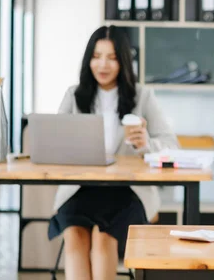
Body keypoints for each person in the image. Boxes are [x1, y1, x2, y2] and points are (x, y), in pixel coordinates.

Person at [48, 25, 178, 280]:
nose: (103, 65)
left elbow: (172, 145)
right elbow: (55, 139)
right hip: (81, 188)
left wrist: (146, 144)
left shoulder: (142, 96)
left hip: (127, 190)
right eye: (97, 56)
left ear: (124, 61)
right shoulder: (75, 96)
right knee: (74, 235)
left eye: (112, 57)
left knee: (103, 238)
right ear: (88, 60)